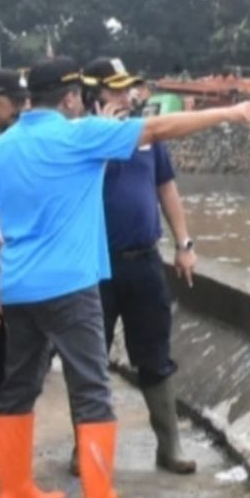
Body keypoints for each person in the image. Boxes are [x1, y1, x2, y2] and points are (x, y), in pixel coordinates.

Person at [0, 57, 250, 498]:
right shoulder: (79, 136)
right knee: (93, 388)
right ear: (72, 96)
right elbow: (159, 128)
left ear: (30, 98)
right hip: (71, 286)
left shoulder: (1, 148)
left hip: (18, 287)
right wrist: (228, 113)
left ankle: (14, 493)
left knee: (18, 386)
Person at [83, 57, 196, 474]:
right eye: (113, 90)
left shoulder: (150, 137)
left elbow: (166, 188)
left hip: (144, 260)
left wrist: (184, 244)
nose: (124, 96)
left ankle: (169, 445)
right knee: (90, 357)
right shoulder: (82, 139)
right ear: (92, 95)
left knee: (155, 353)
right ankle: (87, 449)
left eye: (126, 88)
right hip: (96, 266)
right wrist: (107, 136)